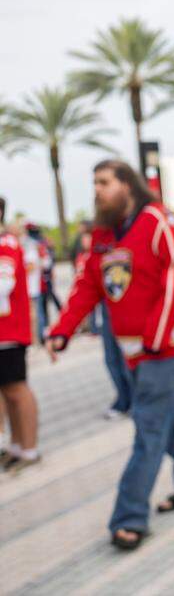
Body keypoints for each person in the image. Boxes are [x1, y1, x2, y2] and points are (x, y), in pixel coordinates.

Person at [47, 160, 174, 550]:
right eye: (94, 182)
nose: (97, 190)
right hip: (136, 351)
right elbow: (89, 284)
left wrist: (157, 338)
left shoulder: (160, 221)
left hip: (163, 346)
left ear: (127, 184)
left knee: (149, 428)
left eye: (104, 182)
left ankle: (129, 516)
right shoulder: (105, 234)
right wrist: (62, 331)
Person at [0, 196, 41, 473]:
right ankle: (15, 445)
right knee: (7, 390)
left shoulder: (6, 245)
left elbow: (3, 286)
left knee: (17, 389)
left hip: (8, 332)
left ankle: (29, 448)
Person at [76, 230, 133, 419]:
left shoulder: (128, 233)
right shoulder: (96, 247)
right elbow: (87, 287)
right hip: (107, 309)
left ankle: (134, 399)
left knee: (126, 358)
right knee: (111, 358)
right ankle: (123, 399)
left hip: (127, 308)